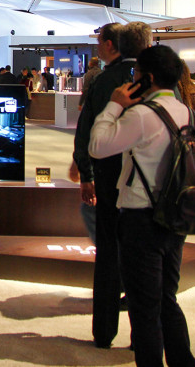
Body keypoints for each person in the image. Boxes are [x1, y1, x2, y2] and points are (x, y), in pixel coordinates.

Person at [89, 44, 195, 367]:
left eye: (136, 73)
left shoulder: (141, 116)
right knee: (167, 298)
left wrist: (114, 105)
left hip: (141, 219)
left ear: (147, 78)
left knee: (144, 306)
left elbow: (98, 145)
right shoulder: (191, 116)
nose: (132, 78)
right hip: (177, 216)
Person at [72, 21, 149, 350]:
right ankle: (143, 336)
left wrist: (86, 174)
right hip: (147, 183)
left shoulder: (104, 81)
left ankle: (103, 333)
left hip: (108, 178)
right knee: (143, 259)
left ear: (113, 44)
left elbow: (86, 131)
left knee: (108, 254)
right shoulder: (155, 82)